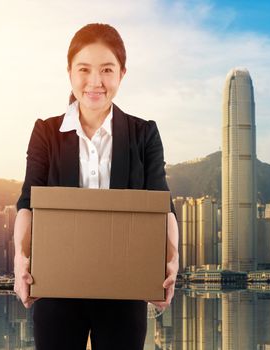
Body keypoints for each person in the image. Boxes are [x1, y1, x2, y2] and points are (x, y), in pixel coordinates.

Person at [14, 23, 179, 350]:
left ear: (122, 74)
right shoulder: (46, 132)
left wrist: (171, 261)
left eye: (107, 70)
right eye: (84, 70)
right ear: (70, 72)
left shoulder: (143, 134)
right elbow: (28, 202)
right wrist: (21, 259)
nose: (95, 82)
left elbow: (162, 207)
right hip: (56, 287)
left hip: (125, 288)